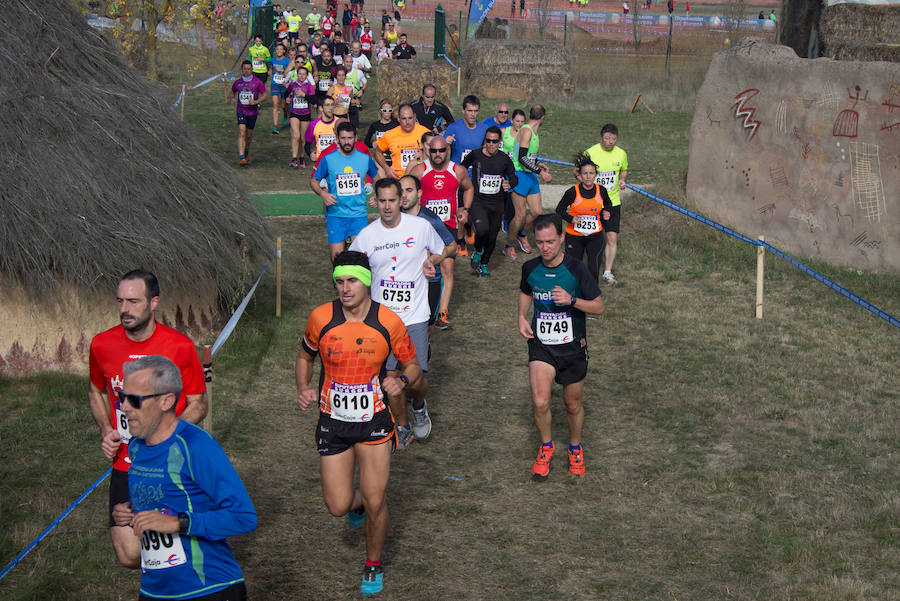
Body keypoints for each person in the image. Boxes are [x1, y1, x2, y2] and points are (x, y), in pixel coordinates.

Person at [296, 251, 420, 595]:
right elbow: (305, 356)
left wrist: (403, 383)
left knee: (376, 498)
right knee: (337, 505)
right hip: (333, 420)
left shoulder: (388, 322)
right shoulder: (321, 318)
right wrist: (303, 388)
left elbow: (412, 365)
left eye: (351, 281)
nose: (344, 288)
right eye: (339, 281)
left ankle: (373, 563)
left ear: (367, 282)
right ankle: (359, 502)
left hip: (375, 422)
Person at [89, 270, 208, 569]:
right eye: (120, 301)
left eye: (133, 301)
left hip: (170, 461)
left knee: (175, 544)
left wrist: (165, 436)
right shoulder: (102, 345)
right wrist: (106, 430)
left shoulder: (179, 347)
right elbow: (96, 390)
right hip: (126, 461)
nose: (124, 310)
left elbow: (198, 404)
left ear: (154, 302)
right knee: (130, 554)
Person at [116, 355, 255, 600]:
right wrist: (130, 513)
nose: (124, 407)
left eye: (134, 400)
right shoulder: (136, 447)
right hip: (154, 591)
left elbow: (243, 517)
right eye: (122, 397)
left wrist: (178, 523)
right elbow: (162, 502)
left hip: (209, 588)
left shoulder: (196, 446)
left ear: (166, 401)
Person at [350, 179, 452, 450]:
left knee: (416, 379)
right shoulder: (367, 236)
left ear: (400, 201)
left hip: (415, 316)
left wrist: (432, 263)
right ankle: (403, 426)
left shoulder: (420, 228)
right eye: (382, 201)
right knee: (391, 379)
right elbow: (351, 269)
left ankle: (419, 405)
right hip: (382, 321)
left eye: (391, 200)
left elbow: (443, 250)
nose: (386, 206)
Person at [517, 214, 604, 480]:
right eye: (540, 242)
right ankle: (546, 446)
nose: (545, 247)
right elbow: (525, 291)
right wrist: (521, 316)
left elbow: (599, 307)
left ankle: (575, 448)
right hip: (542, 346)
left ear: (562, 238)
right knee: (540, 401)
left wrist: (572, 300)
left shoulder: (577, 269)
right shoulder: (530, 268)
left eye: (551, 242)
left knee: (572, 404)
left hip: (573, 347)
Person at [407, 135, 473, 330]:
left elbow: (469, 189)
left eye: (441, 150)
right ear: (429, 151)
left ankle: (441, 314)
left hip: (448, 227)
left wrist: (465, 209)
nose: (437, 154)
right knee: (425, 269)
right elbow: (405, 190)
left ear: (447, 151)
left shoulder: (458, 170)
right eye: (433, 151)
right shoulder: (419, 171)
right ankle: (421, 308)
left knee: (447, 268)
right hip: (425, 228)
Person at [311, 121, 380, 261]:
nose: (347, 142)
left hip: (358, 215)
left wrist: (378, 196)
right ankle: (337, 284)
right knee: (336, 259)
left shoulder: (365, 159)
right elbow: (314, 181)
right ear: (337, 139)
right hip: (336, 215)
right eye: (343, 138)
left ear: (355, 138)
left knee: (359, 259)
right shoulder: (328, 159)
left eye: (350, 138)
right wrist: (323, 194)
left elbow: (378, 178)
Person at [398, 175, 458, 332]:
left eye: (409, 190)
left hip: (428, 282)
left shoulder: (430, 220)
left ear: (419, 193)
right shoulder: (393, 217)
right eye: (400, 191)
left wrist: (431, 259)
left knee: (426, 327)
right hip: (401, 281)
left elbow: (452, 246)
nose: (403, 195)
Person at [462, 126, 518, 277]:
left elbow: (513, 177)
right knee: (482, 230)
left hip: (497, 202)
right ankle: (478, 250)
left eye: (494, 141)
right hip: (478, 201)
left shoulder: (504, 159)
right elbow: (461, 169)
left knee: (493, 236)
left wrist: (509, 184)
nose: (491, 144)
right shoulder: (475, 155)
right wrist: (465, 184)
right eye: (488, 141)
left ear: (500, 142)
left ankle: (484, 264)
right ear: (485, 141)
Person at [555, 154, 612, 283]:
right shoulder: (572, 192)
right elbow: (559, 210)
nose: (588, 176)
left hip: (595, 235)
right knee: (573, 266)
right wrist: (571, 219)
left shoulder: (601, 190)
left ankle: (592, 296)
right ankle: (571, 293)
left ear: (595, 174)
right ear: (579, 175)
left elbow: (608, 204)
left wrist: (606, 212)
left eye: (591, 173)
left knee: (593, 266)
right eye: (585, 173)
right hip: (574, 235)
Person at [584, 123, 628, 284]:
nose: (610, 142)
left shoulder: (621, 154)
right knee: (591, 237)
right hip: (593, 202)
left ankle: (608, 272)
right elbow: (576, 171)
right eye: (607, 138)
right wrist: (586, 183)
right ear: (601, 137)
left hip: (613, 202)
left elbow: (624, 169)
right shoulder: (590, 152)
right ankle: (588, 267)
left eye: (613, 139)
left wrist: (622, 180)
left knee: (611, 237)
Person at [506, 104, 552, 255]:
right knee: (519, 215)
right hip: (519, 175)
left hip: (529, 175)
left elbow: (528, 155)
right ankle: (509, 244)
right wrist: (541, 172)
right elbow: (521, 158)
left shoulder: (534, 132)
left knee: (537, 212)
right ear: (543, 117)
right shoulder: (526, 131)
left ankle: (522, 235)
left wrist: (539, 163)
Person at [373, 103, 430, 178]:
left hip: (420, 177)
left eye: (410, 118)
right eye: (404, 118)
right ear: (398, 119)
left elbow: (436, 151)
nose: (407, 122)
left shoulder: (424, 132)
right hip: (397, 178)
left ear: (414, 117)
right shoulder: (390, 134)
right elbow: (377, 151)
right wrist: (386, 168)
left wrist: (423, 155)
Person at [231, 60, 268, 166]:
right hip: (241, 111)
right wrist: (232, 98)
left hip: (252, 112)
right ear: (241, 70)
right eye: (244, 69)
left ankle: (246, 150)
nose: (246, 71)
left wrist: (256, 102)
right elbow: (233, 90)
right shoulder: (237, 82)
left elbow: (265, 96)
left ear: (251, 69)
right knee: (242, 131)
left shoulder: (257, 82)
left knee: (249, 135)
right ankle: (242, 156)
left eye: (248, 69)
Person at [287, 66, 315, 168]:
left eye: (304, 74)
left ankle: (302, 158)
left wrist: (304, 95)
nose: (302, 76)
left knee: (303, 138)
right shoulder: (293, 84)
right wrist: (287, 98)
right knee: (295, 135)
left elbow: (313, 99)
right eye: (300, 74)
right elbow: (287, 93)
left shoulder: (309, 86)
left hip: (305, 114)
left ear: (307, 76)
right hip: (294, 112)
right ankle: (294, 159)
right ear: (297, 74)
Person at [305, 95, 339, 161]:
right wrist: (310, 154)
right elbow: (307, 144)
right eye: (327, 105)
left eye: (332, 105)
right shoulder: (313, 125)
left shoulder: (339, 123)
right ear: (321, 108)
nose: (331, 108)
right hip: (320, 163)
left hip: (337, 162)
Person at [365, 99, 398, 165]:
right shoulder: (375, 125)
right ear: (380, 111)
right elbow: (366, 142)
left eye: (390, 111)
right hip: (381, 158)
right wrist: (372, 144)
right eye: (385, 111)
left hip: (395, 157)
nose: (387, 113)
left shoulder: (396, 124)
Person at [269, 44, 291, 135]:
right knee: (275, 104)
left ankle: (285, 115)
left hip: (283, 84)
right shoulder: (273, 60)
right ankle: (275, 127)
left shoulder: (287, 60)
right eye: (277, 49)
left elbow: (289, 73)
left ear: (284, 51)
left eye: (280, 49)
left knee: (283, 105)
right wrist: (270, 71)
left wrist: (282, 71)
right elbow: (271, 68)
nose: (278, 51)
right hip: (275, 84)